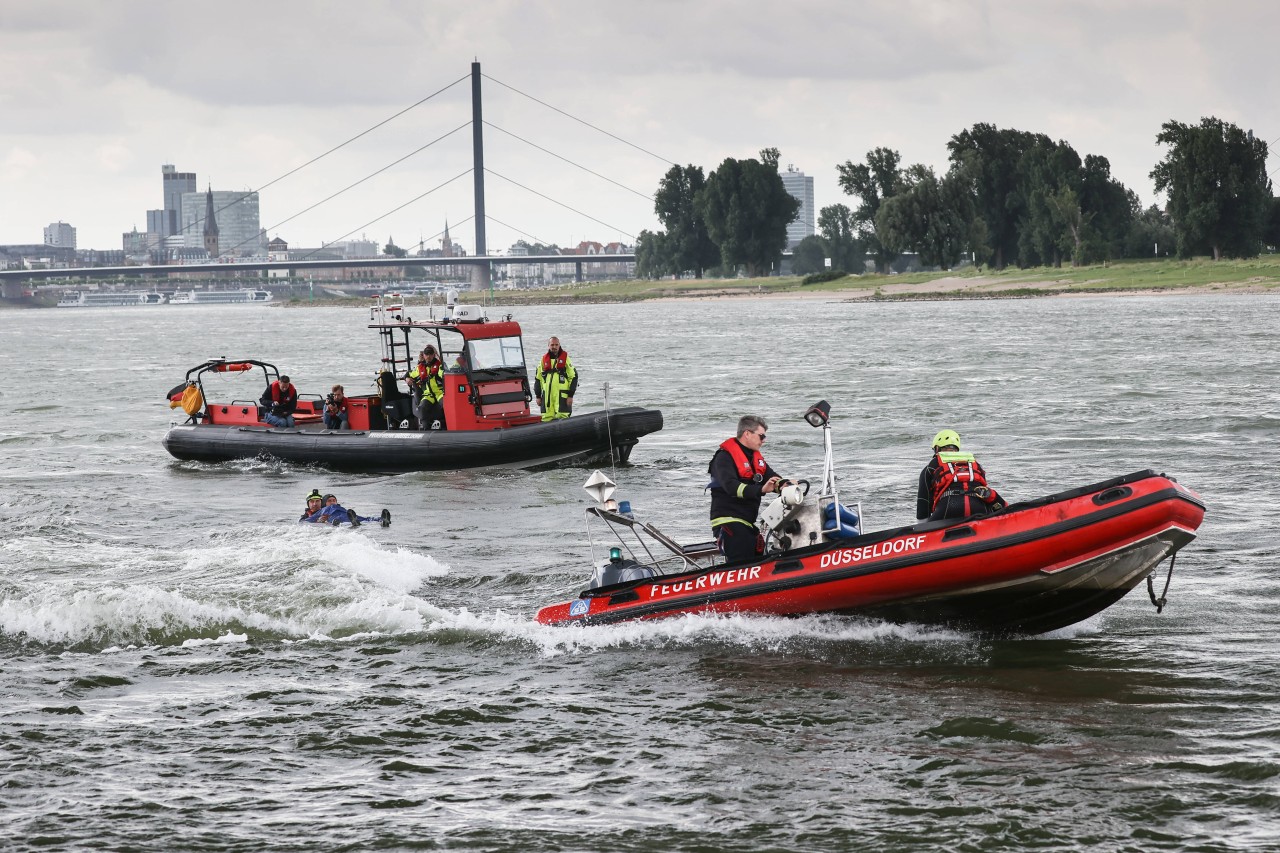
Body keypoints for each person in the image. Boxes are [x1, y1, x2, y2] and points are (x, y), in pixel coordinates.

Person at [707, 415, 791, 564]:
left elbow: (770, 476)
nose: (764, 440)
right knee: (742, 564)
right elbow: (731, 487)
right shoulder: (724, 457)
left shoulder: (754, 458)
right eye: (761, 436)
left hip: (748, 522)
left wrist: (786, 484)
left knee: (757, 560)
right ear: (747, 433)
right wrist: (761, 490)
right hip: (729, 520)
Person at [916, 429, 1005, 522]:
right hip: (978, 506)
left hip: (948, 507)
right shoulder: (974, 463)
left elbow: (923, 505)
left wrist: (922, 529)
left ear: (937, 449)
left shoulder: (931, 467)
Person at [535, 336, 578, 422]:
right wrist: (538, 396)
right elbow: (538, 379)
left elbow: (573, 377)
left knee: (563, 416)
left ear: (559, 345)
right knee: (546, 417)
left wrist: (570, 395)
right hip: (547, 396)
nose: (554, 347)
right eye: (552, 345)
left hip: (562, 395)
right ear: (548, 345)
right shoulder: (543, 360)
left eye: (556, 345)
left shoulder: (565, 359)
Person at [299, 489, 391, 527]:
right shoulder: (317, 513)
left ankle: (382, 520)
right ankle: (353, 522)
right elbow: (304, 522)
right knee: (338, 520)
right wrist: (319, 521)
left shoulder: (337, 508)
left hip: (345, 516)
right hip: (336, 521)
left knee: (365, 518)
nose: (314, 504)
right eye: (312, 501)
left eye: (317, 501)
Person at [408, 346, 446, 430]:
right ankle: (426, 430)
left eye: (430, 354)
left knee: (446, 405)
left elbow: (443, 373)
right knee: (422, 410)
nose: (428, 356)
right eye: (426, 354)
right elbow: (409, 375)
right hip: (428, 394)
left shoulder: (439, 366)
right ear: (424, 355)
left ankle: (446, 427)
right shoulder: (420, 367)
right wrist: (407, 378)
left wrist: (443, 371)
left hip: (439, 393)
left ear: (433, 355)